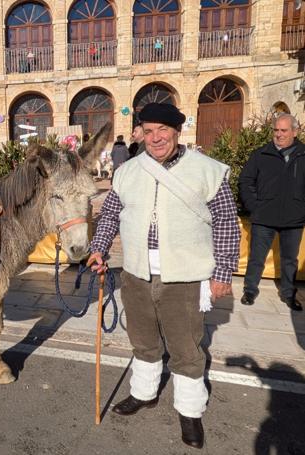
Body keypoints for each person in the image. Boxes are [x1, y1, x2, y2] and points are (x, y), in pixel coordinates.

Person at [88, 103, 240, 449]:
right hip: (137, 272)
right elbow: (110, 214)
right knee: (143, 339)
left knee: (186, 346)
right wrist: (98, 248)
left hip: (185, 276)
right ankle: (143, 393)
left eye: (163, 130)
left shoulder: (207, 170)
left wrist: (222, 272)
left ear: (177, 131)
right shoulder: (128, 171)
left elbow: (228, 225)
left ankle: (190, 411)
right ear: (140, 133)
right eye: (148, 130)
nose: (155, 138)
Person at [238, 113, 305, 312]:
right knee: (256, 257)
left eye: (284, 130)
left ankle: (288, 293)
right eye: (276, 130)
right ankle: (250, 291)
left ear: (295, 131)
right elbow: (246, 181)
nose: (279, 134)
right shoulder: (261, 154)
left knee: (290, 260)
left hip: (294, 218)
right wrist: (254, 206)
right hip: (264, 217)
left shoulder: (303, 154)